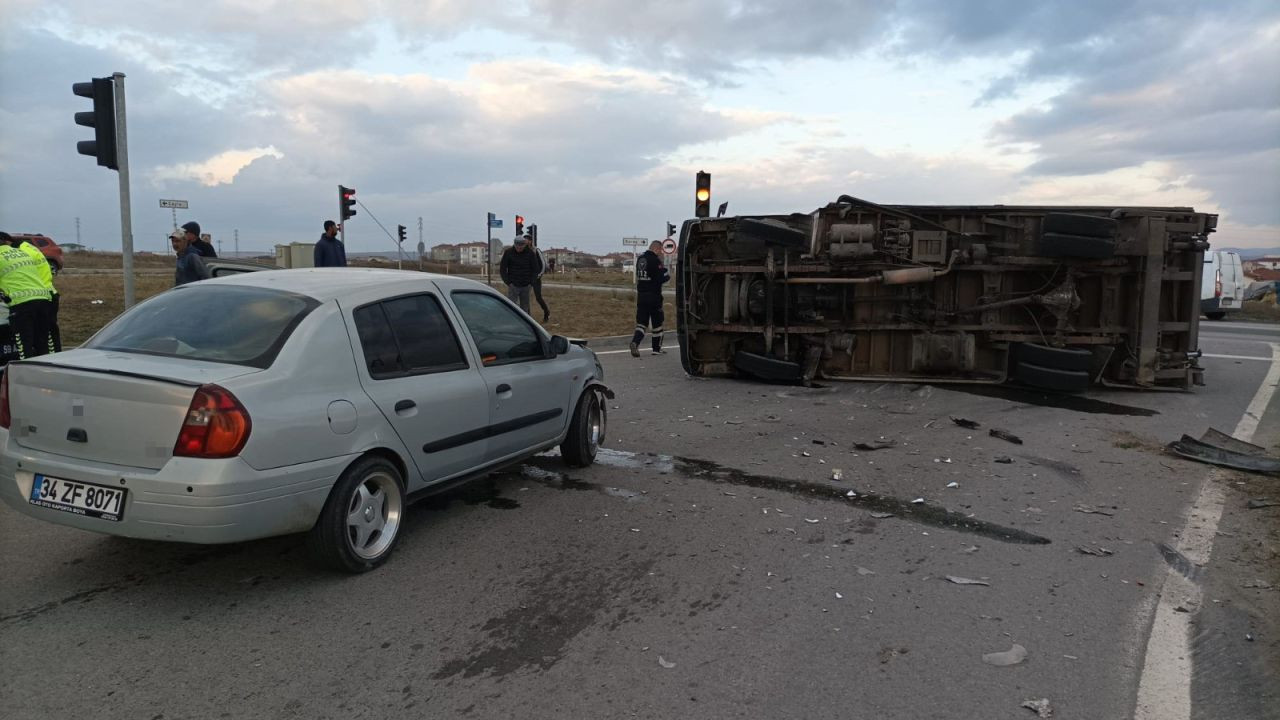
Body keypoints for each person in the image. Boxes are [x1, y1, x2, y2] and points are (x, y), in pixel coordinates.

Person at [0, 231, 57, 359]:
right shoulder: (22, 252)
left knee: (25, 346)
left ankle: (27, 376)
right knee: (43, 344)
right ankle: (49, 373)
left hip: (22, 303)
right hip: (43, 300)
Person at [14, 235, 61, 352]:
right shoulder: (31, 249)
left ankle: (51, 359)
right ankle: (54, 356)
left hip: (42, 295)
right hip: (48, 292)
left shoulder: (22, 253)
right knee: (48, 332)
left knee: (44, 335)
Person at [630, 240, 670, 357]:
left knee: (641, 323)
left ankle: (635, 342)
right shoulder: (655, 260)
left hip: (641, 295)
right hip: (654, 296)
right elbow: (660, 278)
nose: (660, 253)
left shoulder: (641, 259)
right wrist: (667, 276)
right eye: (660, 250)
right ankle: (656, 349)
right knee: (657, 322)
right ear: (657, 249)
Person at [499, 235, 543, 313]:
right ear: (515, 244)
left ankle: (524, 323)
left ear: (524, 245)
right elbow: (502, 269)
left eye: (521, 246)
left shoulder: (530, 253)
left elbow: (535, 269)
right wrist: (508, 282)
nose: (519, 248)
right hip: (513, 285)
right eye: (517, 246)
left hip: (526, 285)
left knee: (525, 308)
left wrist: (531, 283)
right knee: (511, 306)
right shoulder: (508, 253)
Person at [529, 233, 551, 322]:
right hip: (526, 278)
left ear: (531, 241)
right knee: (525, 298)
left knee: (538, 297)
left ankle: (546, 312)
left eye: (528, 240)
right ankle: (527, 316)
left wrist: (539, 275)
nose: (526, 241)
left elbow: (543, 263)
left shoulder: (536, 250)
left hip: (536, 278)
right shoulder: (524, 251)